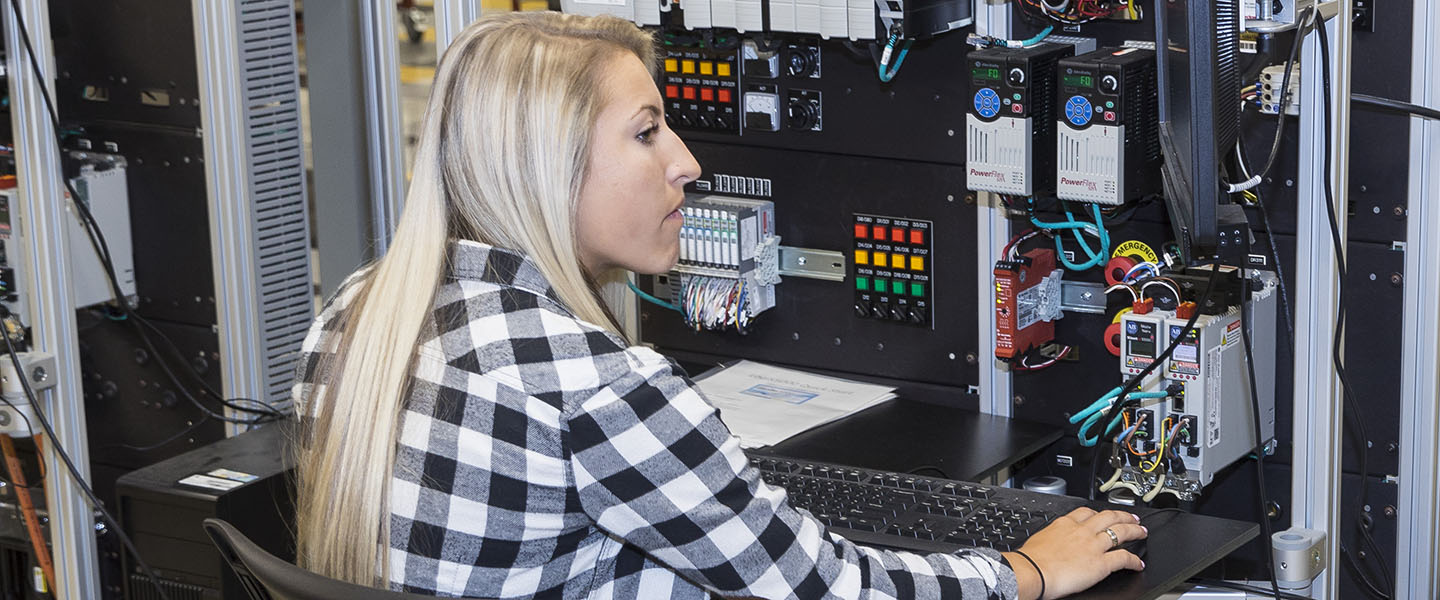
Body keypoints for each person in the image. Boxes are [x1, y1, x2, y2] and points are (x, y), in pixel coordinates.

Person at [292, 11, 1146, 600]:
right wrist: (1025, 572)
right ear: (550, 166)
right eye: (646, 131)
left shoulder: (358, 315)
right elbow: (832, 590)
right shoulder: (594, 387)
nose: (687, 162)